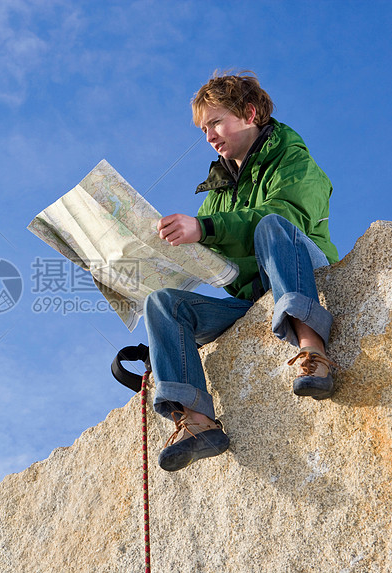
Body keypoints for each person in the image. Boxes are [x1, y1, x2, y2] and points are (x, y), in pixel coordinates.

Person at [146, 71, 340, 472]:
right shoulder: (215, 195)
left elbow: (288, 216)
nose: (209, 137)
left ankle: (313, 351)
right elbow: (204, 264)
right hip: (253, 301)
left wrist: (204, 229)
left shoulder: (293, 159)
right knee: (161, 303)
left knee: (270, 225)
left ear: (249, 114)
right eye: (204, 129)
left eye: (216, 122)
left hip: (304, 270)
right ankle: (198, 422)